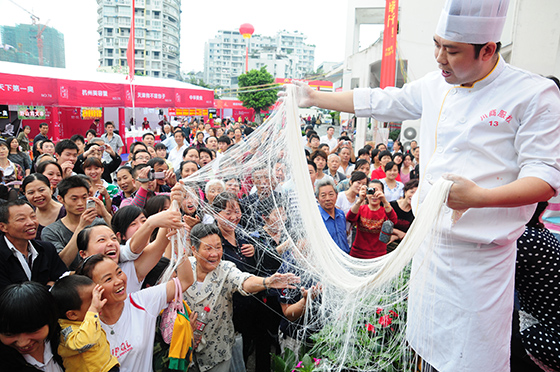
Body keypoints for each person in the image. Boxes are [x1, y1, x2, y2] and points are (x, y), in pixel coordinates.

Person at [292, 0, 560, 369]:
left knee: (472, 360)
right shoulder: (437, 84)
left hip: (480, 262)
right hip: (428, 249)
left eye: (451, 51)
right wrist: (313, 97)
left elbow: (544, 178)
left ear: (488, 50)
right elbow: (381, 100)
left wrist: (481, 198)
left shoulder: (533, 94)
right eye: (436, 45)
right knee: (424, 349)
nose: (439, 58)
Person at [184, 223, 298, 372]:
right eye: (208, 248)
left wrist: (266, 282)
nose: (214, 253)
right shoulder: (184, 268)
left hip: (217, 353)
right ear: (194, 249)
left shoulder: (225, 269)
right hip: (185, 350)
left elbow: (244, 281)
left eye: (218, 247)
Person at [75, 250, 193, 372]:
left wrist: (180, 249)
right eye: (108, 279)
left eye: (119, 272)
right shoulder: (85, 326)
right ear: (92, 290)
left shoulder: (141, 302)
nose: (119, 281)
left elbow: (185, 281)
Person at [50, 275, 120, 372]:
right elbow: (84, 342)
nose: (97, 302)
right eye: (92, 301)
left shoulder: (84, 320)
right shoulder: (68, 331)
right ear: (72, 314)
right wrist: (93, 310)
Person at [41, 176, 111, 270]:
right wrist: (81, 227)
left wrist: (105, 214)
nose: (80, 203)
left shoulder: (99, 223)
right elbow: (61, 264)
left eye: (84, 197)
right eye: (74, 199)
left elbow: (120, 238)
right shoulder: (51, 231)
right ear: (61, 199)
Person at [0, 199, 68, 291]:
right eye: (21, 219)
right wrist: (48, 287)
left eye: (33, 216)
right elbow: (7, 295)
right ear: (3, 227)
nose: (31, 223)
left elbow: (63, 280)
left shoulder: (47, 249)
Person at [0, 281, 65, 372]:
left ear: (50, 320)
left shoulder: (71, 340)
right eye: (9, 334)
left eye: (32, 331)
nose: (22, 343)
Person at [346, 180, 397, 259]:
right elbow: (350, 218)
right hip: (358, 253)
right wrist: (360, 200)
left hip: (378, 255)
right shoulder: (361, 208)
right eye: (371, 191)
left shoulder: (385, 210)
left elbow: (393, 220)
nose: (374, 195)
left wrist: (384, 201)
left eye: (377, 191)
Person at [22, 174, 66, 238]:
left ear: (51, 189)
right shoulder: (27, 216)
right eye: (31, 192)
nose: (37, 195)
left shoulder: (67, 212)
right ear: (25, 195)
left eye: (41, 190)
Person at [315, 178, 350, 253]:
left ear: (337, 195)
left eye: (331, 194)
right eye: (323, 195)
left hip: (344, 258)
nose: (328, 199)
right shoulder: (316, 218)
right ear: (317, 198)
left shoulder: (341, 214)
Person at [388, 179, 418, 250]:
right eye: (411, 192)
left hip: (403, 247)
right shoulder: (391, 206)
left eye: (416, 194)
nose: (413, 196)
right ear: (405, 192)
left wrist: (397, 236)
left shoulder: (416, 212)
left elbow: (413, 234)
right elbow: (380, 224)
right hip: (387, 242)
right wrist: (398, 233)